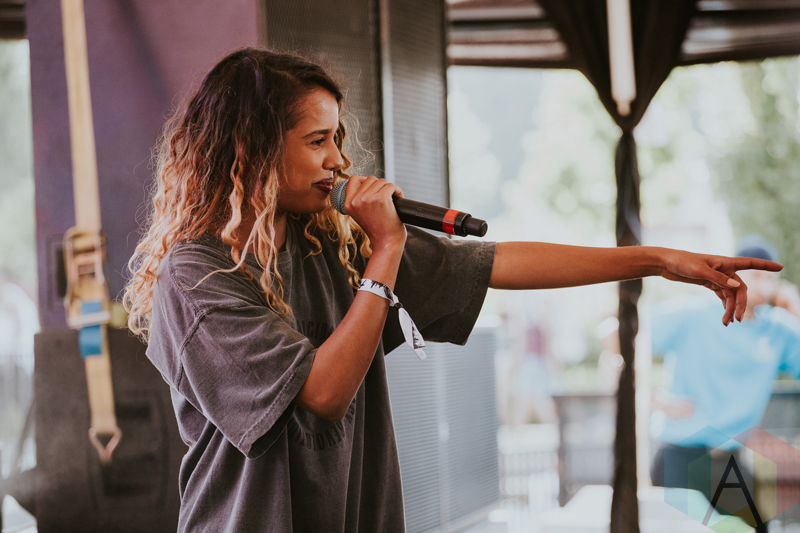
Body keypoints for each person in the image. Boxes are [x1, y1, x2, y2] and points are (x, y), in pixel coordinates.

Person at [122, 48, 782, 532]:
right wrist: (386, 251)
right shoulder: (197, 275)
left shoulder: (332, 243)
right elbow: (322, 394)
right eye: (318, 141)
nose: (339, 161)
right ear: (252, 149)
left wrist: (657, 260)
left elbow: (498, 263)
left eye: (339, 139)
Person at [649, 236, 800, 531]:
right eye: (756, 276)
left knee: (756, 527)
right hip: (681, 456)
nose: (764, 285)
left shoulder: (777, 330)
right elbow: (615, 334)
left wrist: (793, 306)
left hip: (728, 461)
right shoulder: (694, 314)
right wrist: (650, 399)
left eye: (771, 278)